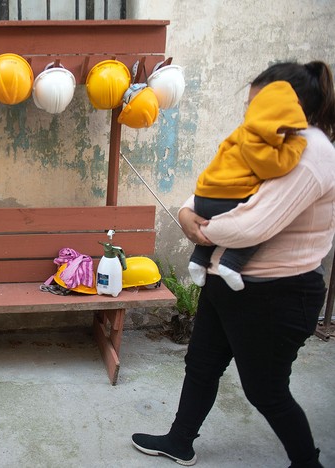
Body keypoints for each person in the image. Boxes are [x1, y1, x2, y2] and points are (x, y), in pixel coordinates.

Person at [131, 60, 335, 468]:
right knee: (202, 364)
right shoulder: (263, 139)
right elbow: (219, 182)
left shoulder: (311, 152)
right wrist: (189, 212)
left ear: (285, 105)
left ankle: (306, 463)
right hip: (227, 280)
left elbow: (255, 224)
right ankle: (179, 441)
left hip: (277, 293)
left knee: (266, 390)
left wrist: (200, 232)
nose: (249, 115)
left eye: (256, 105)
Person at [188, 80, 308, 291]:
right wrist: (295, 144)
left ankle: (198, 260)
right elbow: (274, 167)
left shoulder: (240, 133)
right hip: (229, 199)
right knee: (259, 225)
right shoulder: (259, 141)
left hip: (202, 197)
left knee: (210, 226)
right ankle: (231, 263)